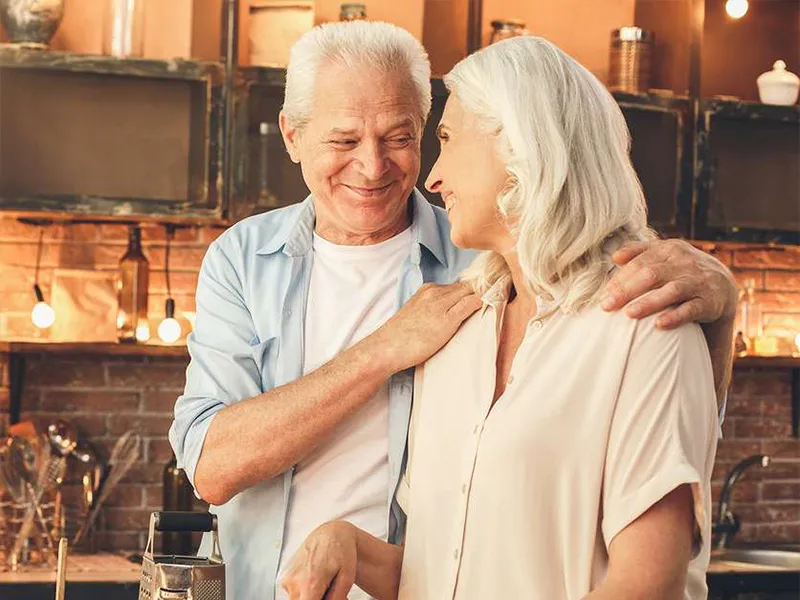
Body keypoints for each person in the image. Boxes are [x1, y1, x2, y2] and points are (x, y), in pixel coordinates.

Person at [169, 22, 737, 600]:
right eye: (343, 141)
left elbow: (672, 443)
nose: (372, 167)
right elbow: (214, 469)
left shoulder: (488, 254)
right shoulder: (244, 259)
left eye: (404, 137)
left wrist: (719, 317)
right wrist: (385, 349)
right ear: (292, 136)